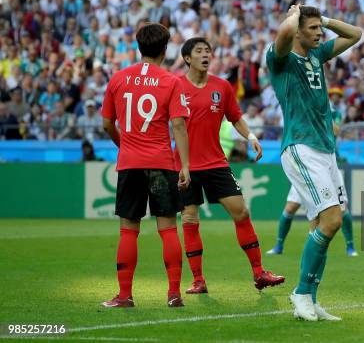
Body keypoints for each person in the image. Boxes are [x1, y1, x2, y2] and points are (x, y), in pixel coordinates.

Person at [266, 4, 361, 321]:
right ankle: (301, 293)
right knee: (331, 221)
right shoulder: (280, 60)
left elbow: (356, 34)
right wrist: (294, 16)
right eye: (314, 29)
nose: (321, 33)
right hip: (301, 147)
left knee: (329, 224)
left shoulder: (317, 55)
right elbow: (282, 34)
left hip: (326, 150)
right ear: (297, 30)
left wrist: (325, 20)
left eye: (321, 29)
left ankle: (312, 298)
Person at [176, 37, 285, 295]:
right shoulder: (175, 86)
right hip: (184, 165)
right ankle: (198, 280)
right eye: (199, 51)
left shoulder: (222, 86)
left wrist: (252, 138)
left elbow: (235, 117)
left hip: (215, 163)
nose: (205, 55)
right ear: (187, 58)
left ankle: (259, 273)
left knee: (242, 213)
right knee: (190, 219)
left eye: (208, 51)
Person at [100, 23, 191, 308]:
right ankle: (174, 293)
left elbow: (106, 123)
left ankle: (125, 295)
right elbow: (178, 124)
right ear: (165, 50)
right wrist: (184, 165)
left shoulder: (118, 78)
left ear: (139, 47)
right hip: (161, 162)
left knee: (129, 230)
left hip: (130, 163)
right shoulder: (171, 81)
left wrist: (123, 145)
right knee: (168, 229)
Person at [267, 103, 357, 257]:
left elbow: (336, 131)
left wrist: (320, 112)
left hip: (327, 164)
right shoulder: (303, 109)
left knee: (342, 208)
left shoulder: (333, 112)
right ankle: (279, 246)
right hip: (306, 165)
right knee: (290, 208)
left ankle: (350, 247)